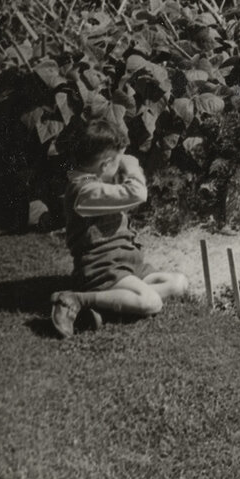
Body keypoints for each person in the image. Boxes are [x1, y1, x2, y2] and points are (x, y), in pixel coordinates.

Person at [50, 114, 188, 338]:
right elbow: (137, 193)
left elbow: (119, 183)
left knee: (178, 283)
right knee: (152, 302)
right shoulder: (84, 192)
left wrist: (118, 157)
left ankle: (103, 308)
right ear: (105, 165)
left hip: (126, 263)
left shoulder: (97, 179)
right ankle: (76, 299)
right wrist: (130, 164)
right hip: (101, 268)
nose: (120, 166)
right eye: (116, 162)